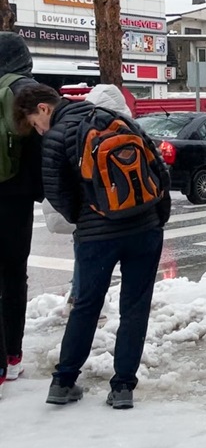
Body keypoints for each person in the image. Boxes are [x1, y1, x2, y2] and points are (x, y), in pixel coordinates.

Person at [16, 83, 171, 409]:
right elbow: (158, 167)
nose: (38, 129)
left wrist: (86, 220)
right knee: (135, 308)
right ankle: (123, 388)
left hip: (96, 238)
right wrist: (157, 215)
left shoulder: (57, 137)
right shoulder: (118, 120)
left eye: (34, 122)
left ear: (44, 108)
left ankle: (63, 382)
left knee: (86, 306)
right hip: (144, 229)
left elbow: (58, 194)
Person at [42, 85, 134, 309]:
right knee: (96, 257)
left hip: (75, 209)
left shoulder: (73, 124)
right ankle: (85, 298)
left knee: (83, 251)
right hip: (99, 209)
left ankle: (78, 294)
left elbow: (57, 177)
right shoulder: (117, 127)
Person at [0, 33, 44, 395]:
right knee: (13, 278)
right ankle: (11, 357)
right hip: (15, 198)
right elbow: (44, 143)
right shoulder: (27, 91)